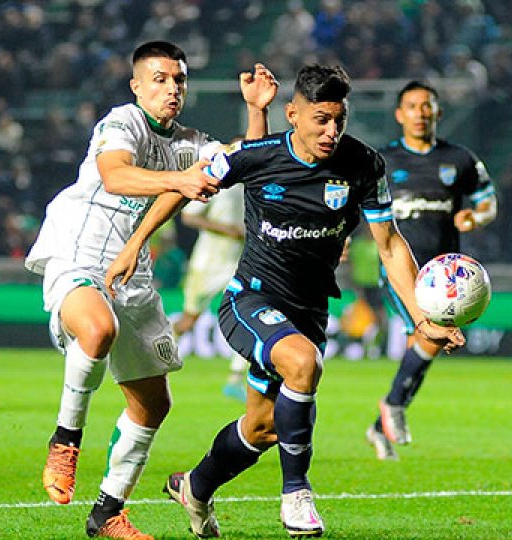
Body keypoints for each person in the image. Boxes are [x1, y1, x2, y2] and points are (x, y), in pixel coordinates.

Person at [104, 64, 465, 539]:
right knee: (302, 363)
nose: (331, 131)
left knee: (262, 428)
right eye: (320, 120)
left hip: (309, 310)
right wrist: (135, 243)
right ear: (292, 114)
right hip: (249, 300)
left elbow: (390, 244)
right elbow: (187, 183)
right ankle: (297, 494)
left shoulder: (364, 164)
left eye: (339, 119)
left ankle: (196, 486)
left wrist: (422, 319)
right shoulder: (257, 155)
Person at [24, 41, 277, 539]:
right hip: (80, 250)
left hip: (133, 268)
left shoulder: (189, 142)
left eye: (178, 80)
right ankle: (65, 438)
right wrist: (181, 180)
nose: (171, 89)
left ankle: (107, 513)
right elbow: (115, 176)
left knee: (152, 404)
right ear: (137, 85)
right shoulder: (122, 123)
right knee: (97, 330)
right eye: (159, 79)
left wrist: (255, 112)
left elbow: (245, 163)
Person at [366, 80, 497, 461]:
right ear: (399, 114)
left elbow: (489, 202)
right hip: (401, 271)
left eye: (427, 106)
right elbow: (357, 206)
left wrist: (477, 216)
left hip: (446, 278)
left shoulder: (460, 160)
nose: (420, 113)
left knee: (424, 345)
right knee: (431, 336)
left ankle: (382, 421)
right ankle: (392, 406)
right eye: (412, 106)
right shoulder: (383, 161)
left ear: (438, 112)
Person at [173, 181, 250, 401]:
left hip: (238, 262)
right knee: (188, 321)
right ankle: (157, 357)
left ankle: (235, 379)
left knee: (246, 316)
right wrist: (227, 230)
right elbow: (189, 216)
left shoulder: (256, 181)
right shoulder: (220, 180)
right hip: (207, 264)